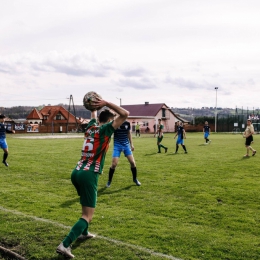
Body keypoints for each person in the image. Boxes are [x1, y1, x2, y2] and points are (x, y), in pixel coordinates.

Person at [56, 98, 129, 258]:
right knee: (87, 215)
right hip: (89, 175)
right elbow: (125, 114)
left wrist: (94, 107)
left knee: (86, 205)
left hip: (77, 172)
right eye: (112, 121)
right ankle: (65, 245)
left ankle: (84, 232)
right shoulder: (105, 130)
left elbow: (93, 115)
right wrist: (105, 102)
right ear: (109, 121)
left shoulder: (91, 127)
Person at [106, 121, 141, 188]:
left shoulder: (127, 123)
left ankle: (135, 179)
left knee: (133, 163)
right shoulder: (115, 123)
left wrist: (131, 144)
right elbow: (110, 133)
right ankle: (109, 181)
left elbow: (129, 133)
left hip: (126, 145)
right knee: (114, 164)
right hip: (117, 145)